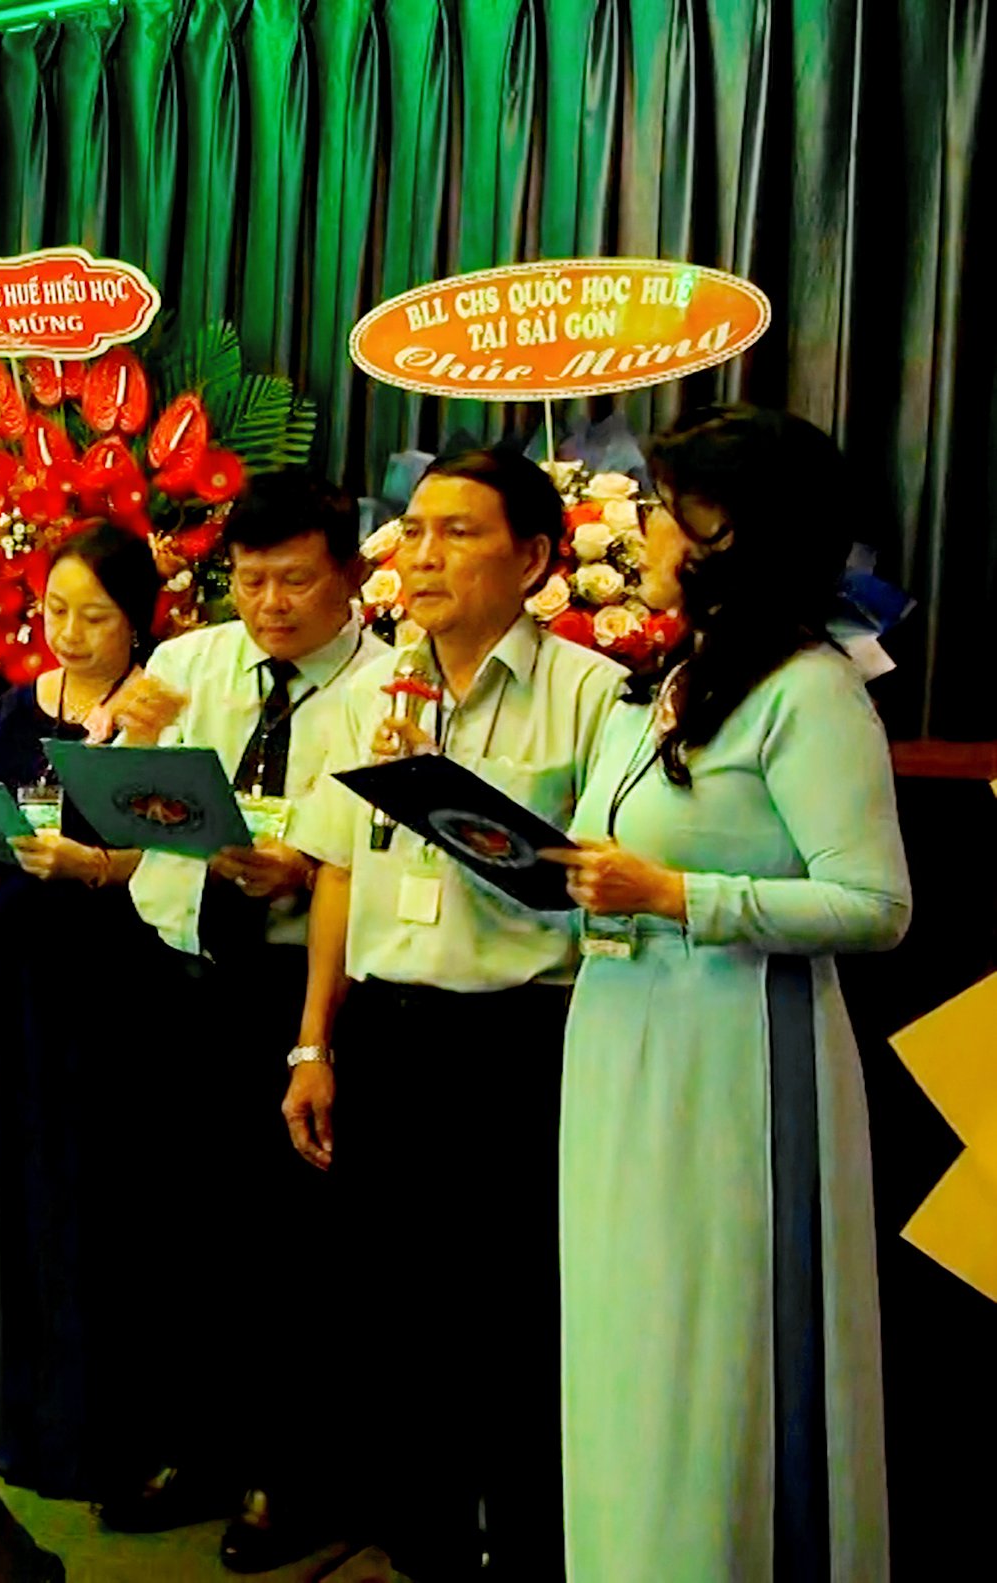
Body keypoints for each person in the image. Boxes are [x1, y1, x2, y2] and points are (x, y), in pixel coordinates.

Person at [548, 407, 908, 1581]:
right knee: (626, 1338)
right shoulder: (667, 679)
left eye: (667, 507)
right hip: (618, 1040)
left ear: (734, 531)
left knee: (717, 1346)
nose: (645, 528)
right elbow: (610, 851)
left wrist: (677, 894)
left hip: (736, 1063)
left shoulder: (811, 688)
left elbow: (876, 904)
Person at [285, 448, 627, 1579]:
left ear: (533, 559)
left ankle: (530, 1548)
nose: (423, 556)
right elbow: (337, 872)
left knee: (520, 1316)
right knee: (397, 1313)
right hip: (391, 1035)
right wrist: (313, 1041)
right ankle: (422, 1545)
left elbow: (613, 874)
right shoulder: (371, 693)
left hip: (526, 1040)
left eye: (459, 532)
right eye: (416, 530)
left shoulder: (593, 695)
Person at [103, 472, 391, 1568]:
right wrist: (119, 735)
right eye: (250, 580)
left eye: (296, 581)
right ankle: (197, 1446)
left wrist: (301, 867)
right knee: (183, 1229)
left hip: (297, 988)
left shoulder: (386, 686)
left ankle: (290, 1474)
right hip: (178, 971)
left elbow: (368, 852)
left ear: (350, 575)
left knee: (293, 1249)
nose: (269, 604)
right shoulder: (190, 663)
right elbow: (113, 799)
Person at [0, 523, 160, 1497]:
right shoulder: (20, 706)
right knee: (5, 1182)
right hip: (15, 961)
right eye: (56, 609)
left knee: (86, 1195)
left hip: (109, 969)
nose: (69, 631)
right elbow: (0, 815)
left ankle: (86, 1432)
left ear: (136, 619)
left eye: (94, 615)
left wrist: (94, 865)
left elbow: (173, 843)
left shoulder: (156, 706)